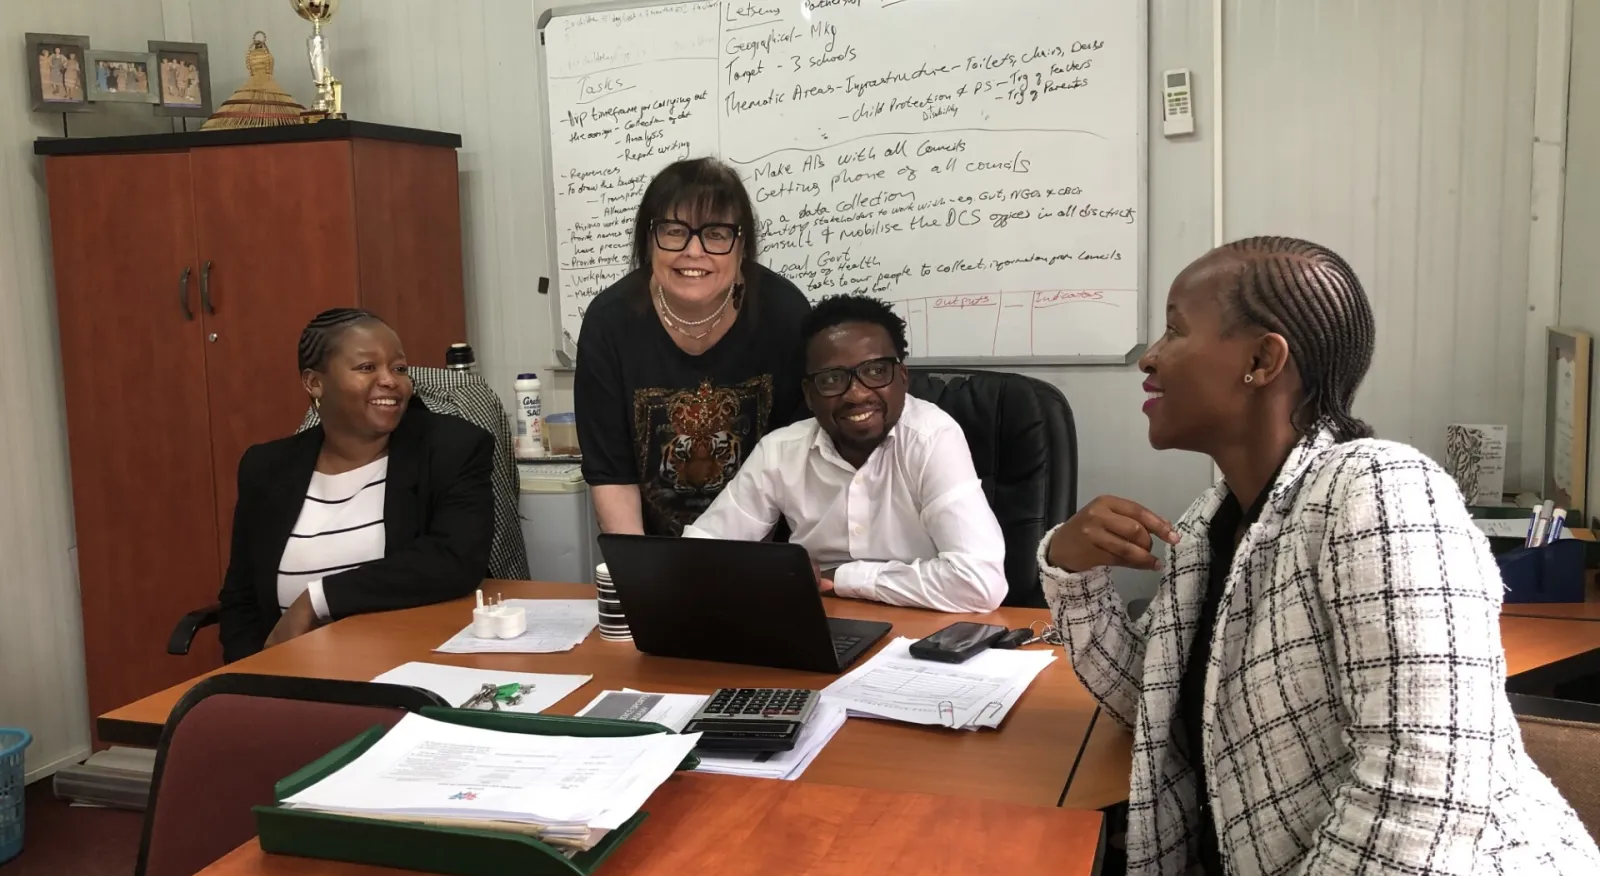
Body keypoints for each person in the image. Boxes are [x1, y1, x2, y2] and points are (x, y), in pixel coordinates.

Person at [1038, 237, 1600, 875]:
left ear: (1262, 359)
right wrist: (1072, 571)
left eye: (1173, 330)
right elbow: (1155, 710)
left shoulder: (1380, 489)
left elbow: (1420, 803)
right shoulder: (1207, 526)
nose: (1150, 357)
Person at [684, 294, 1006, 613]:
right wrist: (768, 576)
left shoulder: (932, 438)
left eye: (877, 371)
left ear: (903, 378)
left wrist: (839, 579)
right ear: (809, 396)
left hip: (923, 633)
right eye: (832, 379)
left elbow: (980, 582)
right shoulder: (780, 452)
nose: (857, 393)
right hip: (817, 629)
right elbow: (696, 557)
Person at [217, 308, 494, 662]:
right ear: (314, 382)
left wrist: (318, 599)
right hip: (291, 676)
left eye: (399, 368)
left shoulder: (451, 448)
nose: (391, 380)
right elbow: (241, 598)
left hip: (410, 668)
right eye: (367, 368)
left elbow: (455, 560)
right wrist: (246, 677)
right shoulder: (266, 467)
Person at [576, 157, 811, 536]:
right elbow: (612, 475)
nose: (694, 251)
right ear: (649, 241)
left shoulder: (785, 315)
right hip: (656, 552)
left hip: (768, 552)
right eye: (674, 230)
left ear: (741, 245)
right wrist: (643, 576)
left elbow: (799, 463)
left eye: (716, 233)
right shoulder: (610, 323)